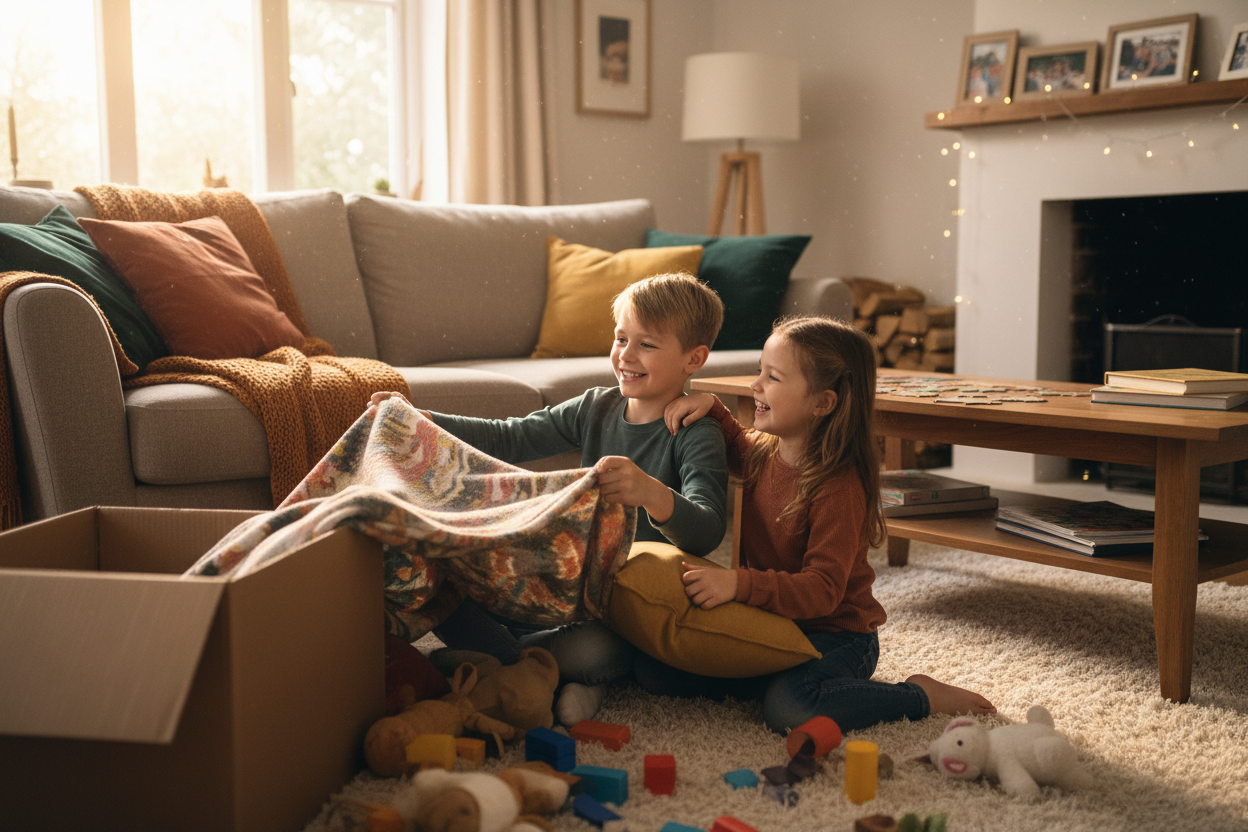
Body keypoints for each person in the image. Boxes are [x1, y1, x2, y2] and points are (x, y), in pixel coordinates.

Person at [367, 272, 729, 725]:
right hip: (565, 578)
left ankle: (517, 666)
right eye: (621, 338)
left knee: (593, 653)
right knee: (440, 579)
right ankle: (525, 662)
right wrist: (423, 420)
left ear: (694, 359)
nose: (626, 355)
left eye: (648, 345)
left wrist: (652, 493)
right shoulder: (595, 406)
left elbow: (709, 528)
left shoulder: (698, 434)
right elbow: (510, 437)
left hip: (623, 606)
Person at [659, 315, 995, 734]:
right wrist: (713, 407)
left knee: (791, 709)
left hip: (838, 635)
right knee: (661, 672)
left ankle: (920, 696)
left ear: (822, 403)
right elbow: (737, 443)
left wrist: (739, 583)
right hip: (774, 622)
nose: (756, 386)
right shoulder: (765, 450)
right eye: (760, 372)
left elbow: (822, 590)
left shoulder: (838, 487)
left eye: (773, 377)